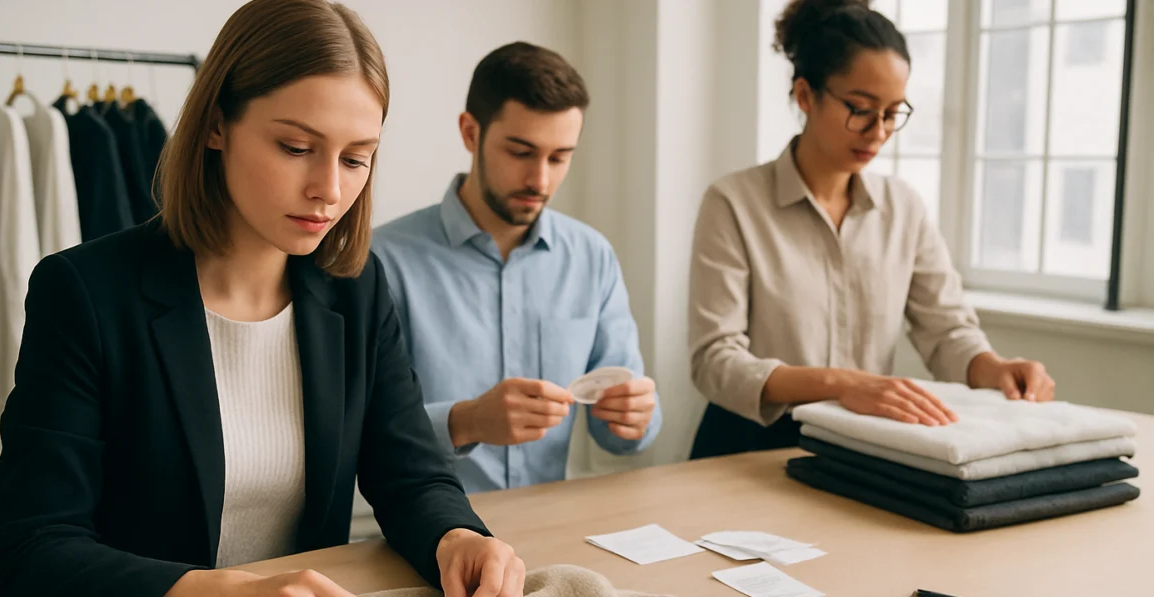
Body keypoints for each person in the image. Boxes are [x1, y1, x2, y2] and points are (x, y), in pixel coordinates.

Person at [0, 0, 525, 597]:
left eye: (357, 159)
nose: (328, 189)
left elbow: (409, 473)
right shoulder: (86, 293)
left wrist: (457, 536)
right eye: (296, 148)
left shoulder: (356, 287)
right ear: (216, 125)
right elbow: (28, 548)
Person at [687, 0, 1056, 459]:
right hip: (748, 446)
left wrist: (994, 367)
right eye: (860, 109)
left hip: (862, 450)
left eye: (893, 112)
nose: (878, 131)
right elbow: (714, 360)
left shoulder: (903, 209)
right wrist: (841, 384)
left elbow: (946, 332)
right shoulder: (734, 203)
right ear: (805, 96)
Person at [373, 42, 662, 494]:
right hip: (423, 533)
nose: (540, 180)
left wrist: (638, 416)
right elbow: (363, 437)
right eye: (521, 152)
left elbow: (621, 438)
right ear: (471, 133)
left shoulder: (593, 257)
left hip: (549, 529)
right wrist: (466, 421)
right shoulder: (383, 261)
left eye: (559, 157)